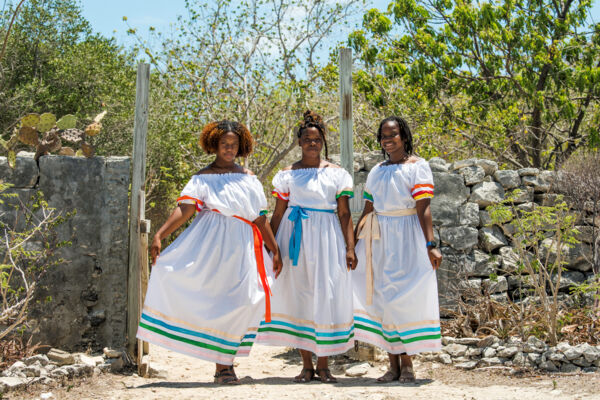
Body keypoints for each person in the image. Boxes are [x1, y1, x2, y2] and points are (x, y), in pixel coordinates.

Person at [137, 120, 282, 385]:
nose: (229, 148)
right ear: (214, 145)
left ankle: (224, 361)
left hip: (245, 246)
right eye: (224, 144)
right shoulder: (202, 178)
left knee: (248, 300)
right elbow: (185, 209)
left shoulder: (249, 179)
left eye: (234, 144)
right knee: (220, 302)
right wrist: (160, 235)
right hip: (213, 246)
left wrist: (275, 249)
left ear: (241, 147)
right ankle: (223, 366)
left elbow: (260, 218)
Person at [255, 110, 356, 383]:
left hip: (326, 238)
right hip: (294, 238)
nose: (312, 143)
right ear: (299, 142)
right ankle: (306, 365)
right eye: (307, 139)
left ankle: (324, 365)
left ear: (323, 142)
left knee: (326, 293)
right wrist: (271, 247)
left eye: (317, 139)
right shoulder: (288, 175)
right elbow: (276, 215)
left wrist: (350, 247)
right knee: (299, 294)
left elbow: (345, 214)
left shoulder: (337, 174)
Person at [352, 116, 442, 383]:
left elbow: (423, 208)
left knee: (403, 298)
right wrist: (353, 245)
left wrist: (431, 245)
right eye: (383, 136)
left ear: (404, 136)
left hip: (408, 236)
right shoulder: (377, 170)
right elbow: (368, 209)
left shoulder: (418, 167)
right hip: (378, 237)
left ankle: (408, 364)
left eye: (393, 135)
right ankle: (391, 365)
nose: (387, 140)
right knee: (382, 299)